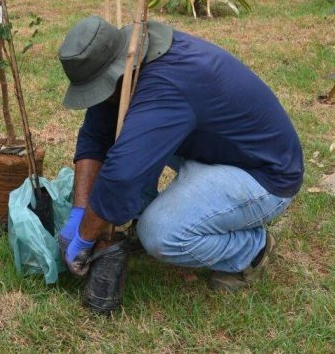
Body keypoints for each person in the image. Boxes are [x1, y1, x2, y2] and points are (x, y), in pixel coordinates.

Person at [56, 16, 304, 291]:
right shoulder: (131, 64)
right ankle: (155, 210)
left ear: (115, 71)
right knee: (123, 137)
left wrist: (83, 238)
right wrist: (79, 212)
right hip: (216, 149)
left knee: (160, 233)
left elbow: (122, 177)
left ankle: (250, 250)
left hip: (264, 175)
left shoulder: (165, 87)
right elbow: (95, 136)